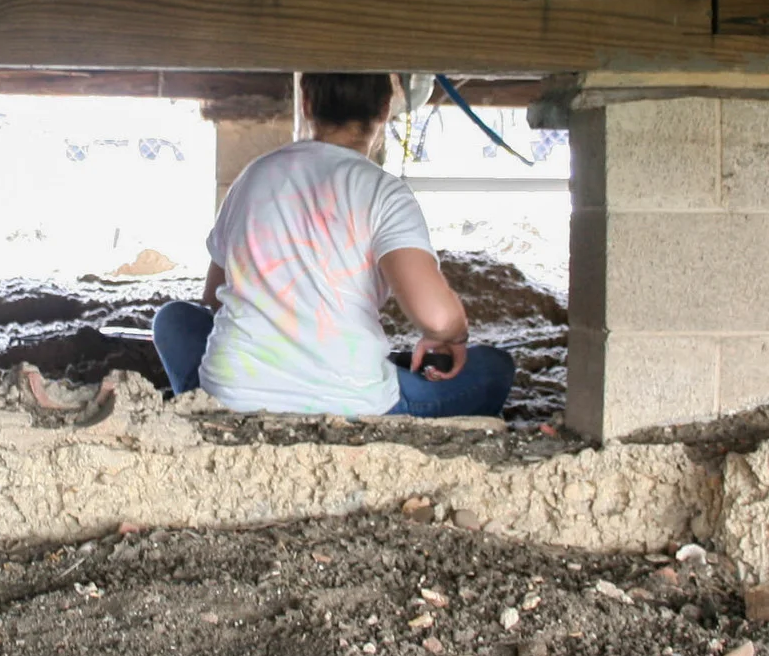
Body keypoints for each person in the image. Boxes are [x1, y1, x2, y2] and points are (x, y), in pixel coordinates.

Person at [153, 72, 514, 418]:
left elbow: (215, 297)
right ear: (385, 109)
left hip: (234, 394)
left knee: (174, 318)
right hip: (352, 403)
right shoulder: (384, 192)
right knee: (493, 368)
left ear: (306, 104)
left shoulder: (253, 175)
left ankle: (199, 405)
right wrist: (451, 336)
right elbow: (436, 316)